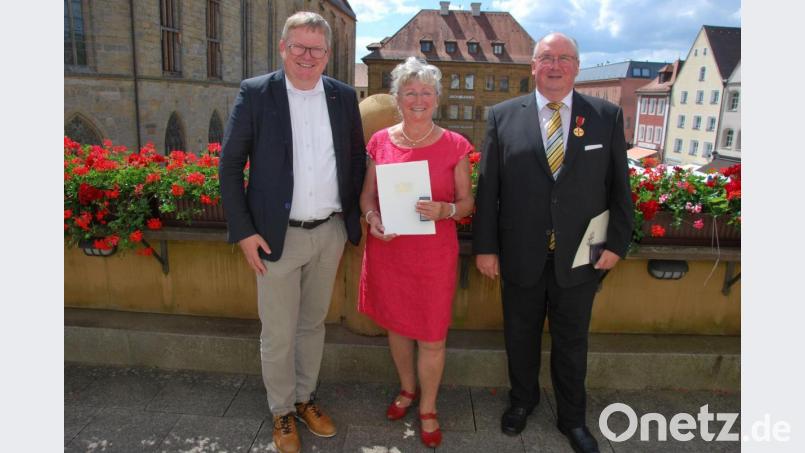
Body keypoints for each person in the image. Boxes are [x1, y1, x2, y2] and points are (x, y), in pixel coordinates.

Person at [473, 32, 633, 453]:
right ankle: (522, 402)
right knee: (519, 337)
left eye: (565, 58)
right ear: (533, 66)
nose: (556, 65)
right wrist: (486, 248)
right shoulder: (503, 117)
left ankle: (573, 418)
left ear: (577, 67)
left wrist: (616, 244)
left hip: (583, 256)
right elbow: (488, 190)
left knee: (572, 342)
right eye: (547, 57)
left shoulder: (606, 116)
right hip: (520, 254)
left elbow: (620, 189)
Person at [218, 11, 365, 453]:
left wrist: (361, 215)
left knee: (312, 325)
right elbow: (229, 167)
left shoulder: (342, 95)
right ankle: (281, 411)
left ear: (328, 55)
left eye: (316, 49)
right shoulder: (257, 93)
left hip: (330, 232)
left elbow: (355, 161)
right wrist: (244, 233)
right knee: (278, 332)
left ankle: (305, 399)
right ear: (283, 48)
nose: (307, 56)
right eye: (298, 47)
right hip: (275, 237)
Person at [357, 57, 474, 448]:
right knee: (397, 327)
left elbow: (467, 203)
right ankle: (407, 389)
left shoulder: (455, 145)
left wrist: (447, 211)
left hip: (434, 256)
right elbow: (367, 196)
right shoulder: (380, 142)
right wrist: (372, 218)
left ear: (437, 99)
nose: (418, 99)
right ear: (398, 99)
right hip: (390, 251)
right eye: (410, 92)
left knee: (432, 337)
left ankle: (428, 406)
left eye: (426, 92)